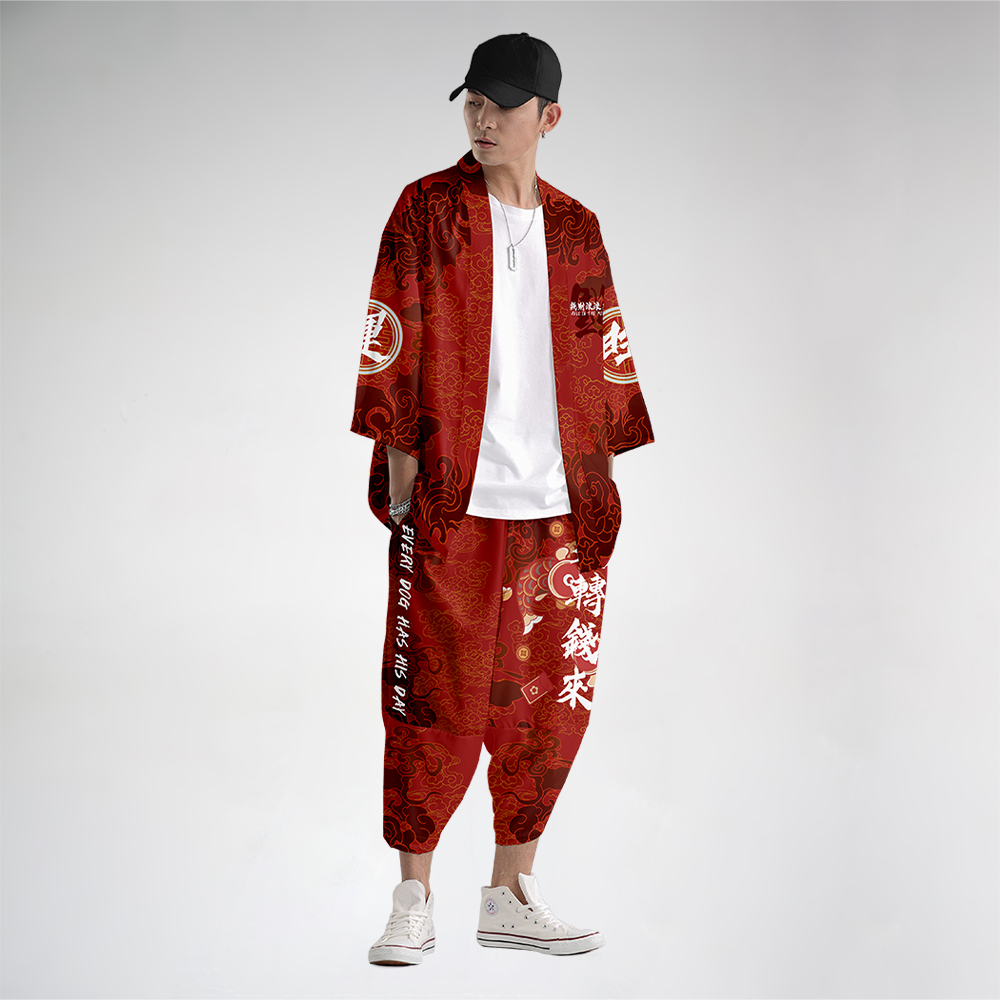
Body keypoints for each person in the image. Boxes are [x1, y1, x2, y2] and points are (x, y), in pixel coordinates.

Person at [351, 32, 654, 965]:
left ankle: (510, 893)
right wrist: (401, 462)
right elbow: (391, 324)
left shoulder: (577, 229)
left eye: (502, 105)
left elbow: (604, 362)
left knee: (548, 707)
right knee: (431, 698)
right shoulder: (427, 207)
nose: (481, 119)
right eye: (472, 102)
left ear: (548, 117)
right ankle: (412, 898)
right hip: (452, 500)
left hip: (559, 509)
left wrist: (600, 491)